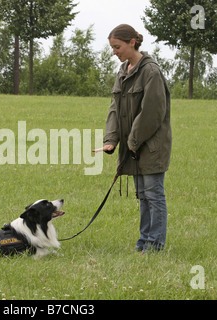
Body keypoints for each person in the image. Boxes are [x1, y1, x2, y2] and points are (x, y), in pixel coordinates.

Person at [95, 24, 172, 252]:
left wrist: (133, 143)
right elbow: (114, 109)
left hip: (151, 145)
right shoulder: (123, 71)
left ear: (132, 42)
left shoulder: (151, 72)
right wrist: (111, 140)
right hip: (134, 146)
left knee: (153, 194)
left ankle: (154, 245)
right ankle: (144, 243)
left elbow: (152, 113)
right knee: (142, 194)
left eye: (117, 47)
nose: (114, 52)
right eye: (112, 47)